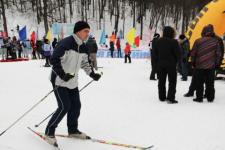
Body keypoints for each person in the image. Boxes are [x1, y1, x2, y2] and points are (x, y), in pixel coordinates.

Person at [44, 21, 102, 146]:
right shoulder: (65, 43)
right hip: (59, 80)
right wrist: (62, 74)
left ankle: (72, 130)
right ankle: (49, 132)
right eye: (85, 31)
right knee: (64, 106)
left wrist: (92, 74)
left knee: (76, 106)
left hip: (72, 81)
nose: (87, 34)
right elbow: (54, 60)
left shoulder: (84, 46)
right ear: (78, 31)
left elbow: (85, 63)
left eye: (88, 31)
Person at [191, 25, 221, 103]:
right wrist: (217, 64)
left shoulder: (198, 41)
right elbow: (218, 54)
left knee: (199, 82)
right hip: (211, 66)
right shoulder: (216, 41)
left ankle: (199, 98)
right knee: (210, 83)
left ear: (203, 31)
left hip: (199, 65)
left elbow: (193, 53)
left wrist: (193, 62)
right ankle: (210, 97)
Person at [155, 26, 180, 104]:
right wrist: (176, 61)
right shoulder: (174, 42)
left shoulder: (158, 41)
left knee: (161, 81)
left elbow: (155, 53)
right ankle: (170, 98)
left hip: (160, 64)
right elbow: (178, 54)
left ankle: (162, 97)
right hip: (171, 65)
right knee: (172, 81)